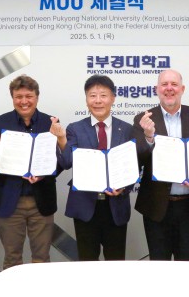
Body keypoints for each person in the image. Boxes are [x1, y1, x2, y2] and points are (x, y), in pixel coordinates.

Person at [0, 75, 64, 269]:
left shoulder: (50, 122)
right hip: (9, 201)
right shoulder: (0, 122)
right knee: (12, 259)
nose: (24, 101)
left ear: (37, 97)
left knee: (42, 259)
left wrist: (45, 173)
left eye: (29, 96)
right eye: (18, 97)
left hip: (41, 201)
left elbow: (61, 161)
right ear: (12, 98)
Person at [134, 69, 189, 261]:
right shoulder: (143, 119)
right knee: (159, 264)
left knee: (187, 263)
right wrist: (148, 137)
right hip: (156, 207)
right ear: (157, 89)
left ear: (182, 89)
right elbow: (137, 159)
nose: (169, 88)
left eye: (174, 84)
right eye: (164, 84)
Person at [59, 75, 134, 260]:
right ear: (86, 100)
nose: (98, 100)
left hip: (115, 207)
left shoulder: (126, 129)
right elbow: (66, 162)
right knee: (87, 262)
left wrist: (124, 187)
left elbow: (133, 166)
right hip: (85, 206)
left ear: (113, 98)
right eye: (92, 95)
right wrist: (61, 139)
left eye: (103, 95)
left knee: (115, 262)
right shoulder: (75, 129)